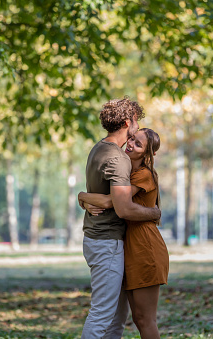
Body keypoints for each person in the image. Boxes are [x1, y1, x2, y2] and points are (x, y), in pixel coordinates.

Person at [79, 97, 161, 339]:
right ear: (127, 122)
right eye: (136, 123)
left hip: (104, 240)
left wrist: (82, 197)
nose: (136, 129)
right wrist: (154, 213)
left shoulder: (98, 148)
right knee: (103, 315)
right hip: (108, 242)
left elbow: (105, 198)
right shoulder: (118, 158)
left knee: (116, 320)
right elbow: (123, 208)